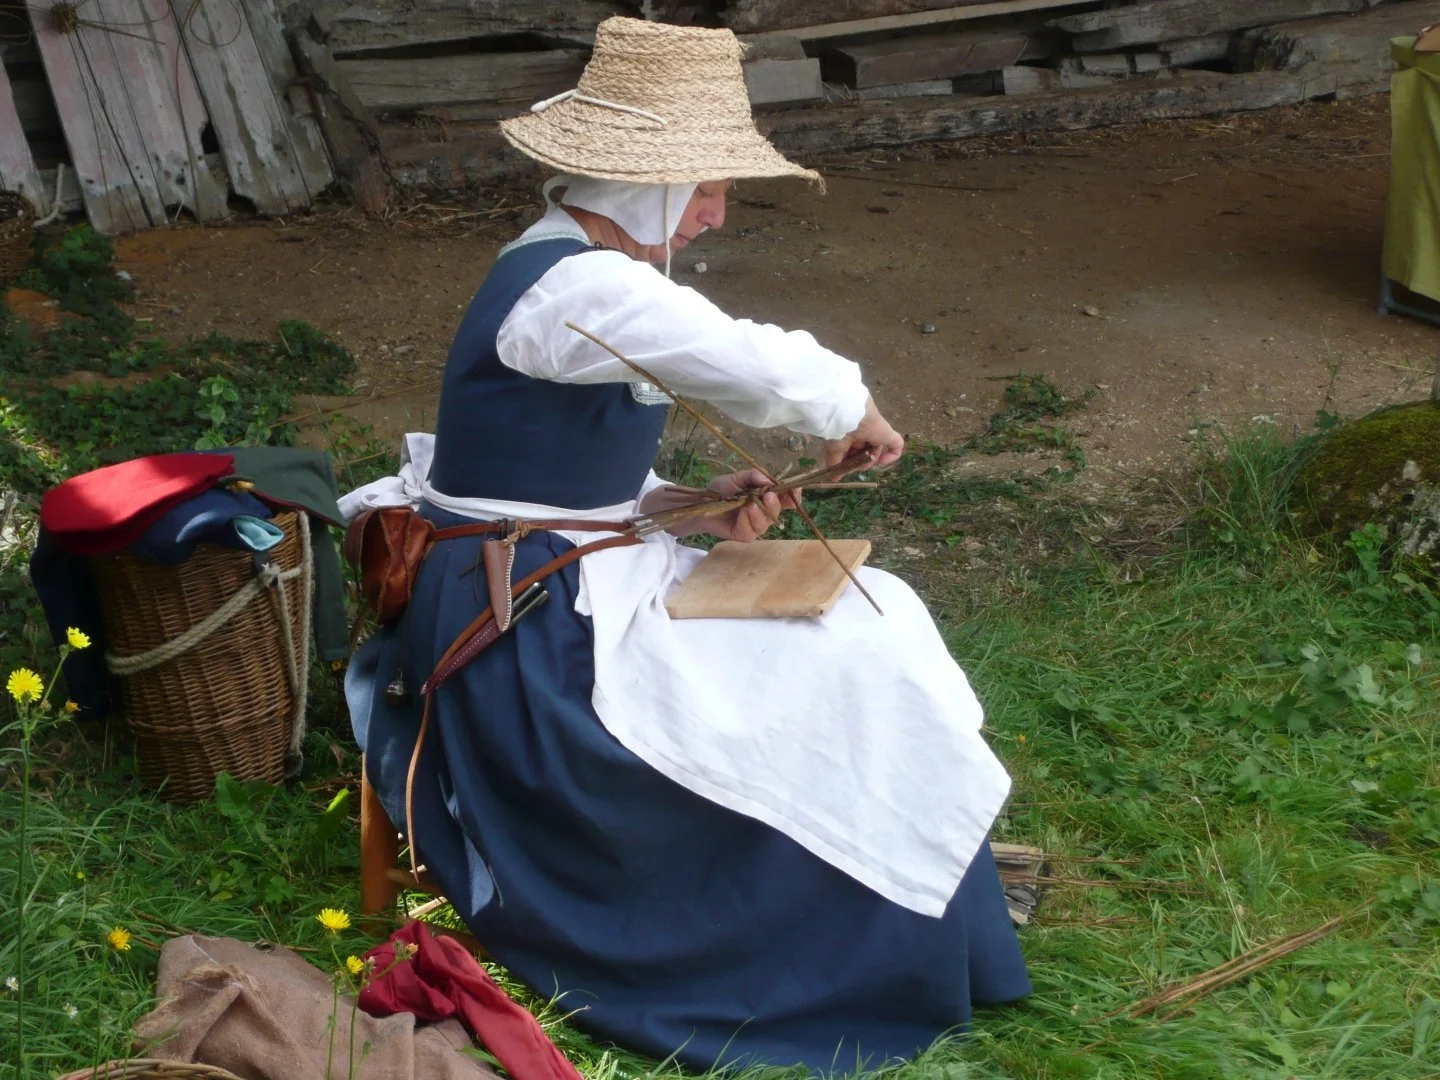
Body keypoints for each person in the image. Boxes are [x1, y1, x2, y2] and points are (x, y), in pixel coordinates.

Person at [343, 17, 1030, 1074]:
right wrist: (852, 406)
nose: (714, 213)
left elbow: (552, 476)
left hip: (559, 570)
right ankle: (851, 924)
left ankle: (909, 879)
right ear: (648, 179)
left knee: (869, 616)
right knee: (840, 656)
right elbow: (746, 359)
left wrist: (686, 504)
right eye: (707, 186)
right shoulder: (582, 287)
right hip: (525, 627)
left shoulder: (568, 267)